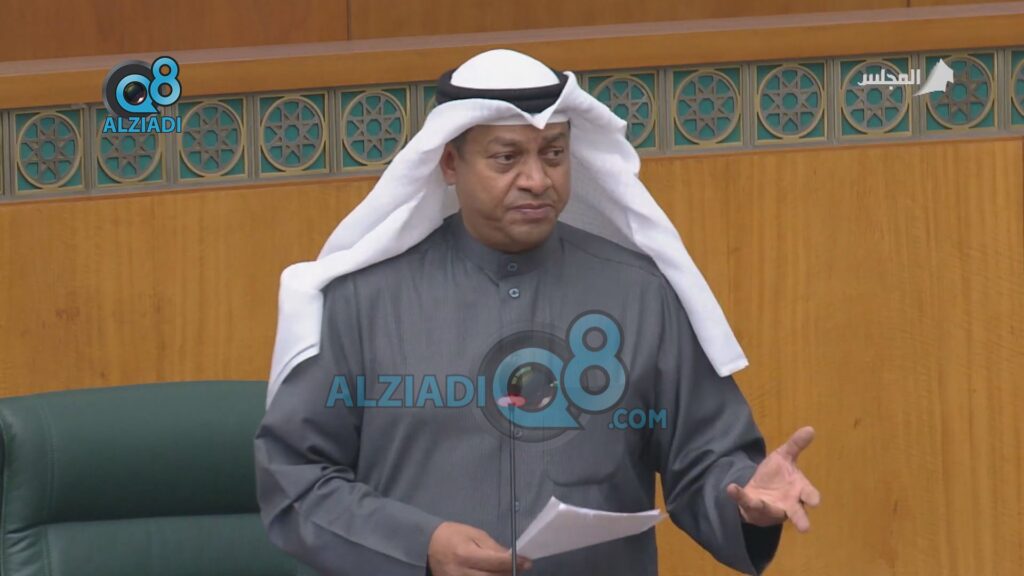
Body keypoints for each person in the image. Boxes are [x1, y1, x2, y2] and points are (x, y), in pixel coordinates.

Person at [254, 49, 820, 576]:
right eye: (507, 157)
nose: (536, 179)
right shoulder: (361, 301)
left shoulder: (641, 294)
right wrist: (420, 545)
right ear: (449, 162)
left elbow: (705, 459)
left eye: (553, 153)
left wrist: (746, 498)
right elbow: (296, 479)